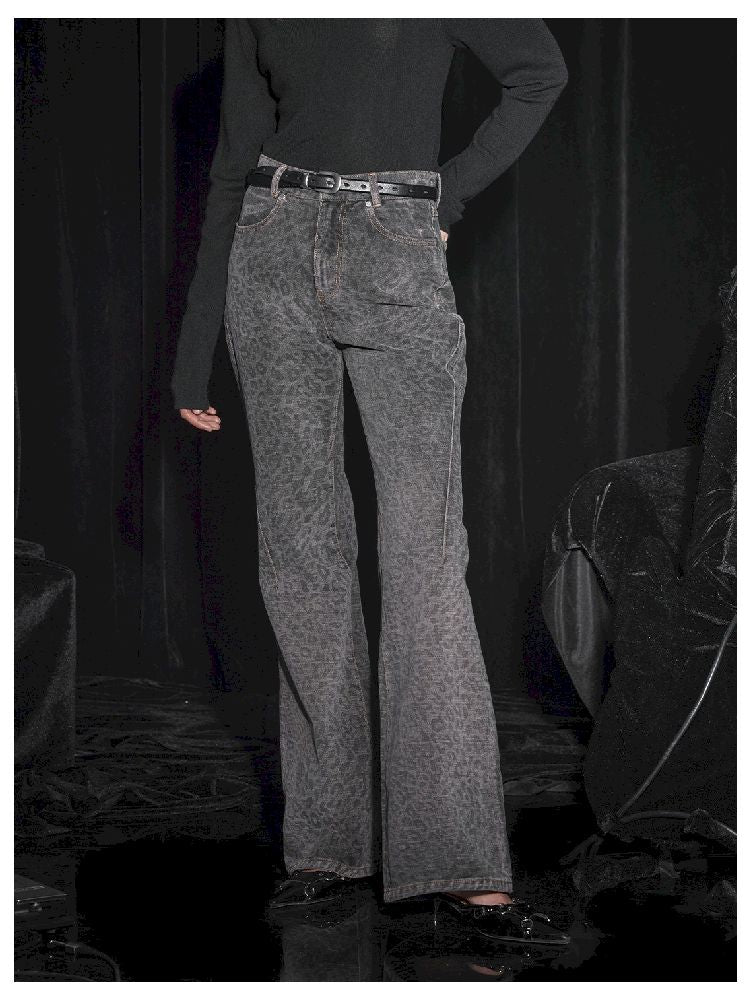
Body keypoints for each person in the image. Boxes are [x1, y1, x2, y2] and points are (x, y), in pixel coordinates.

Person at [171, 18, 568, 943]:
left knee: (423, 558)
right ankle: (327, 846)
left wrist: (447, 193)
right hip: (268, 251)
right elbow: (232, 159)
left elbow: (539, 73)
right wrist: (193, 348)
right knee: (300, 557)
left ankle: (461, 865)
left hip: (395, 242)